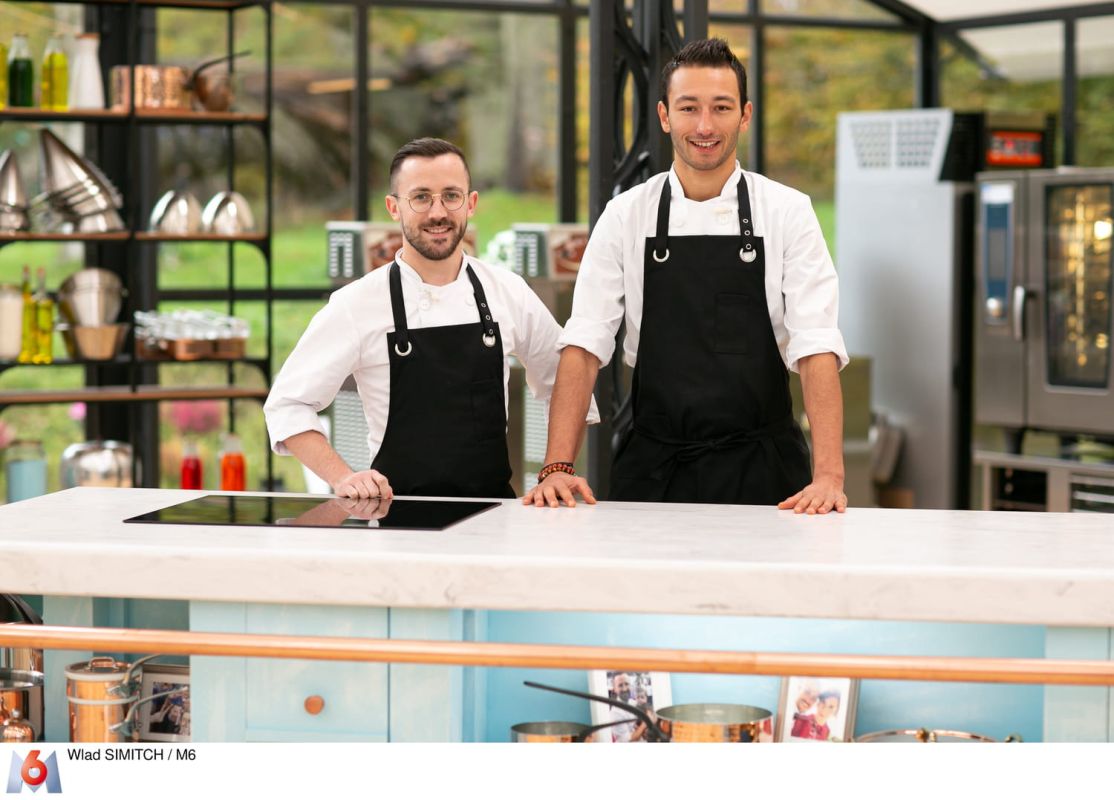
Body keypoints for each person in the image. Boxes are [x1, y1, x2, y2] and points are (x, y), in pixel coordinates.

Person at [524, 38, 848, 512]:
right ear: (663, 115)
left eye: (721, 107)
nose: (704, 125)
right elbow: (585, 344)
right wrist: (556, 466)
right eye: (688, 107)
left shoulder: (787, 212)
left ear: (745, 115)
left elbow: (816, 345)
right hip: (653, 467)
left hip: (767, 469)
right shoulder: (626, 214)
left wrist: (829, 477)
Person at [265, 138, 597, 500]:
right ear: (394, 207)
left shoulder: (507, 291)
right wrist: (343, 477)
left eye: (451, 196)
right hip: (395, 521)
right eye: (421, 197)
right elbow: (288, 404)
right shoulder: (356, 304)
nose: (437, 212)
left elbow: (566, 379)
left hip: (494, 519)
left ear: (470, 203)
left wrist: (557, 468)